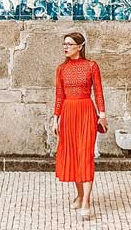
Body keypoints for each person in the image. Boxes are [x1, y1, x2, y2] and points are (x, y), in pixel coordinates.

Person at [53, 30, 107, 220]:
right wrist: (55, 117)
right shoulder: (61, 69)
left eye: (69, 44)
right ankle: (80, 194)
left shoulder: (91, 66)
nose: (65, 47)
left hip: (86, 112)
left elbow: (98, 92)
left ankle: (86, 202)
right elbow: (59, 95)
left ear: (80, 46)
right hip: (68, 113)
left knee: (85, 154)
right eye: (64, 44)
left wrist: (102, 114)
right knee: (73, 154)